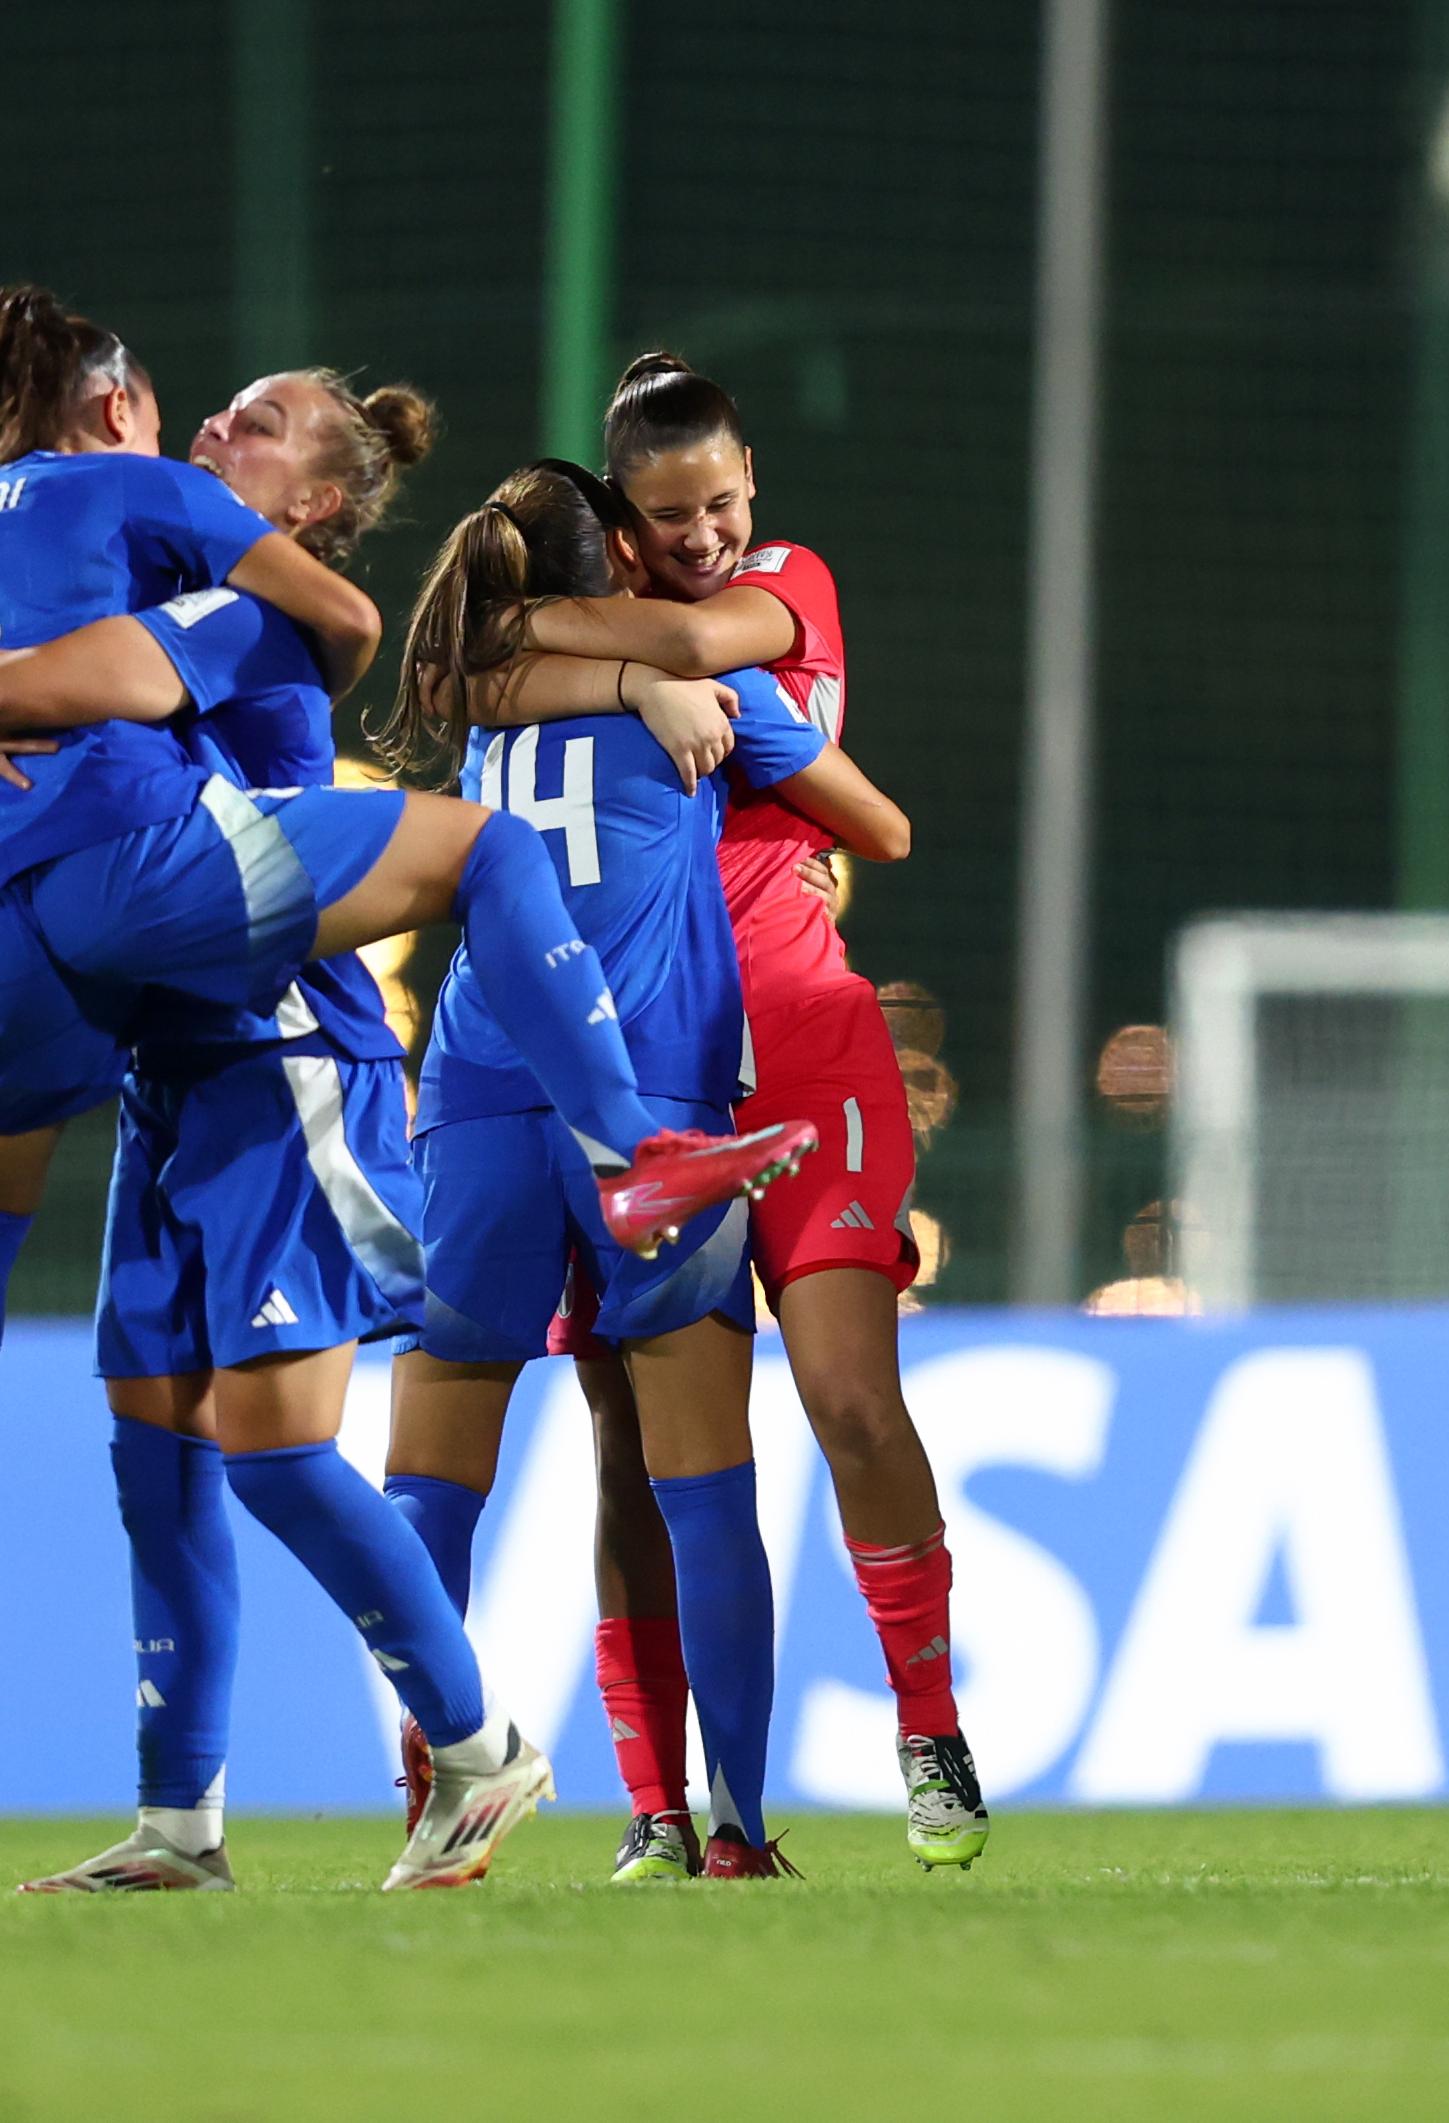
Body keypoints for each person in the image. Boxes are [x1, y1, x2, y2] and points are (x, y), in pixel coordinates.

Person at [0, 295, 803, 1888]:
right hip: (180, 1057)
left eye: (256, 423)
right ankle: (180, 1827)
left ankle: (480, 1747)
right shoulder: (161, 550)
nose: (216, 431)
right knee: (150, 1447)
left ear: (304, 506)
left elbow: (96, 679)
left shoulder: (248, 615)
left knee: (281, 1452)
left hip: (281, 1055)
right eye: (213, 413)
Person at [373, 459, 905, 1880]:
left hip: (479, 1096)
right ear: (618, 547)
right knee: (701, 1479)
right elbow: (884, 828)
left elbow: (453, 678)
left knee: (432, 1479)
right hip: (651, 1102)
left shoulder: (483, 702)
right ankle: (731, 1827)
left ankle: (441, 1795)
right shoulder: (715, 701)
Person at [555, 354, 986, 1873]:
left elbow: (689, 640)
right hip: (642, 1068)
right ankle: (663, 1809)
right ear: (625, 516)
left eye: (725, 501)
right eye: (670, 516)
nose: (706, 534)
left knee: (852, 1402)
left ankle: (927, 1725)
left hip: (804, 1047)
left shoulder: (781, 584)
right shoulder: (596, 652)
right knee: (636, 1454)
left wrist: (566, 646)